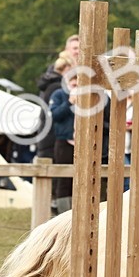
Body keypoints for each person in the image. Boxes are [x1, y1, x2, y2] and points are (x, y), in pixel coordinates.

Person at [48, 65, 78, 215]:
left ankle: (76, 211)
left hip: (81, 144)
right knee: (63, 178)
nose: (75, 82)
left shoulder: (89, 96)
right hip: (63, 142)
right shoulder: (59, 95)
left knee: (78, 178)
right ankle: (63, 213)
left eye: (78, 78)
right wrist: (69, 103)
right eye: (72, 79)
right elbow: (55, 115)